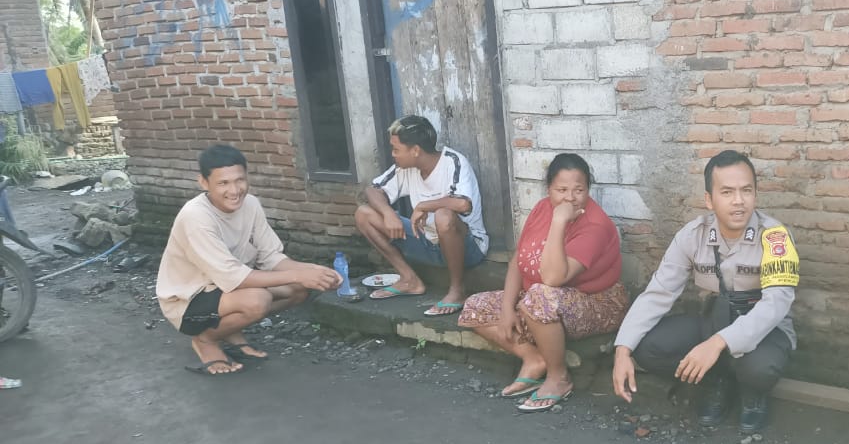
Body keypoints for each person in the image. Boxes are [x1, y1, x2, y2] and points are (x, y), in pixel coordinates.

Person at [611, 150, 799, 435]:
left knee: (760, 369)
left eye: (746, 190)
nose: (739, 200)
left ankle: (753, 393)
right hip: (714, 319)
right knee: (648, 346)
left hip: (764, 330)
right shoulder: (693, 235)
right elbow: (659, 292)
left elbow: (775, 305)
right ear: (709, 200)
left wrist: (716, 344)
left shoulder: (775, 237)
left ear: (755, 195)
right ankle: (716, 381)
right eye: (727, 192)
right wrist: (622, 350)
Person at [458, 154, 628, 413]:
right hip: (541, 300)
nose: (570, 198)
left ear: (588, 190)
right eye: (561, 190)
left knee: (540, 296)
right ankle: (533, 359)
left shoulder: (595, 225)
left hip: (596, 304)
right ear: (549, 189)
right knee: (474, 306)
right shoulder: (541, 208)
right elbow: (519, 259)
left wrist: (559, 221)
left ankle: (558, 377)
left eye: (579, 190)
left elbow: (553, 278)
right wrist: (507, 309)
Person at [156, 145, 342, 376]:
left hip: (225, 291)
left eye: (240, 180)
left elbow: (270, 256)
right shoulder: (196, 216)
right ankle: (206, 339)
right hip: (188, 301)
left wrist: (315, 272)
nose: (234, 190)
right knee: (257, 300)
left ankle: (228, 329)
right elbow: (235, 278)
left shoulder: (250, 204)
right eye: (223, 183)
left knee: (298, 289)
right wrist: (299, 274)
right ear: (204, 182)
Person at [354, 115, 488, 316]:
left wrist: (425, 206)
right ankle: (409, 279)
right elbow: (372, 190)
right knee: (364, 214)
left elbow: (463, 203)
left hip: (468, 248)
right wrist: (388, 213)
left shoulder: (453, 161)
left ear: (415, 150)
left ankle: (457, 290)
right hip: (427, 242)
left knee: (444, 216)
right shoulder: (405, 168)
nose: (393, 154)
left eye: (396, 149)